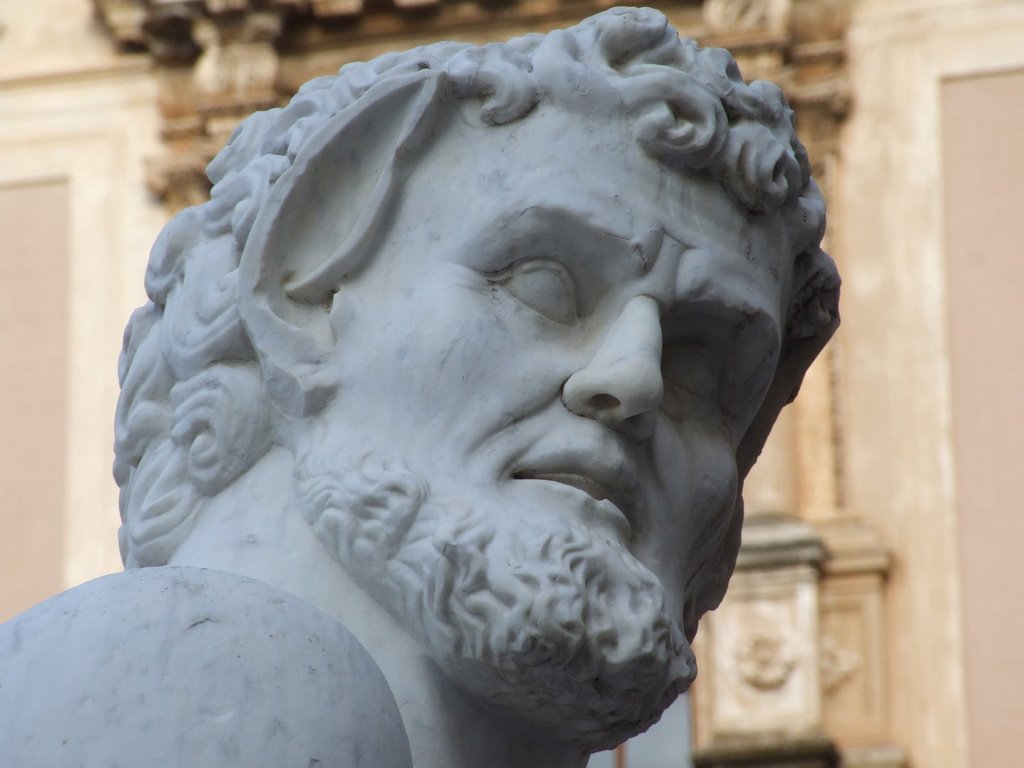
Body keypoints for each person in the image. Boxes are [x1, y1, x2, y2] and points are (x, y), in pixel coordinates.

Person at [1, 8, 839, 768]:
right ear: (307, 290)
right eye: (544, 284)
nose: (635, 379)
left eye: (701, 368)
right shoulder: (203, 672)